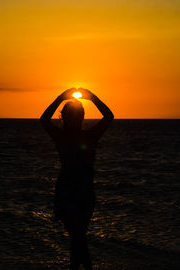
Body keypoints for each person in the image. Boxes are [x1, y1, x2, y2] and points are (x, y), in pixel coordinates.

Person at [40, 88, 114, 270]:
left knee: (77, 239)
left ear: (82, 117)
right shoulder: (62, 137)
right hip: (67, 193)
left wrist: (93, 98)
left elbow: (109, 117)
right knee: (78, 237)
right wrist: (60, 98)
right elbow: (43, 119)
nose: (75, 119)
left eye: (78, 115)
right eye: (72, 115)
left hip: (85, 193)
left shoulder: (89, 136)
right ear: (64, 117)